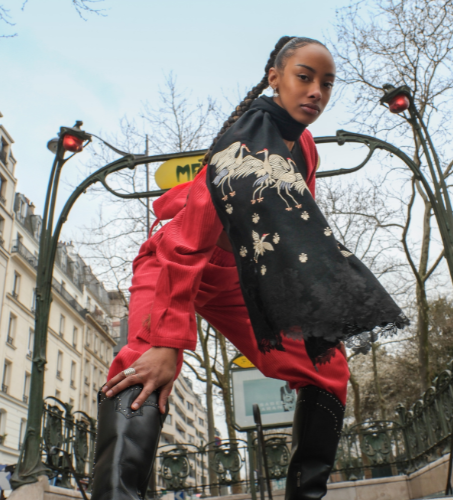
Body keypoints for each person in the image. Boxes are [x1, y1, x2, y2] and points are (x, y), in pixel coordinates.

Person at [91, 36, 408, 500]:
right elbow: (187, 242)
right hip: (175, 261)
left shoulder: (304, 146)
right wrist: (165, 341)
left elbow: (294, 234)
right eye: (304, 77)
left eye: (326, 82)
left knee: (327, 366)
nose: (316, 91)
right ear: (274, 78)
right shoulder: (243, 141)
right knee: (147, 363)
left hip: (237, 273)